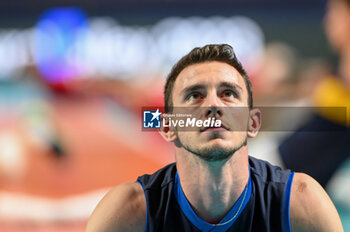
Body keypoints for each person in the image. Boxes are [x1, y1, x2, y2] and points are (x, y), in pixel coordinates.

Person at [86, 44, 343, 231]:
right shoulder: (127, 215)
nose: (213, 105)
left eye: (228, 93)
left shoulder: (302, 204)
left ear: (252, 123)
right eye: (194, 95)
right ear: (167, 128)